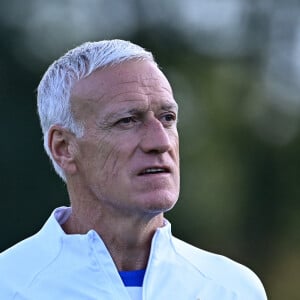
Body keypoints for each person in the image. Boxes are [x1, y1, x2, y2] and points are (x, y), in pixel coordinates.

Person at [0, 39, 267, 299]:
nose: (160, 142)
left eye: (167, 118)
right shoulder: (9, 284)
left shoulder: (232, 289)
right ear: (64, 147)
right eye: (127, 120)